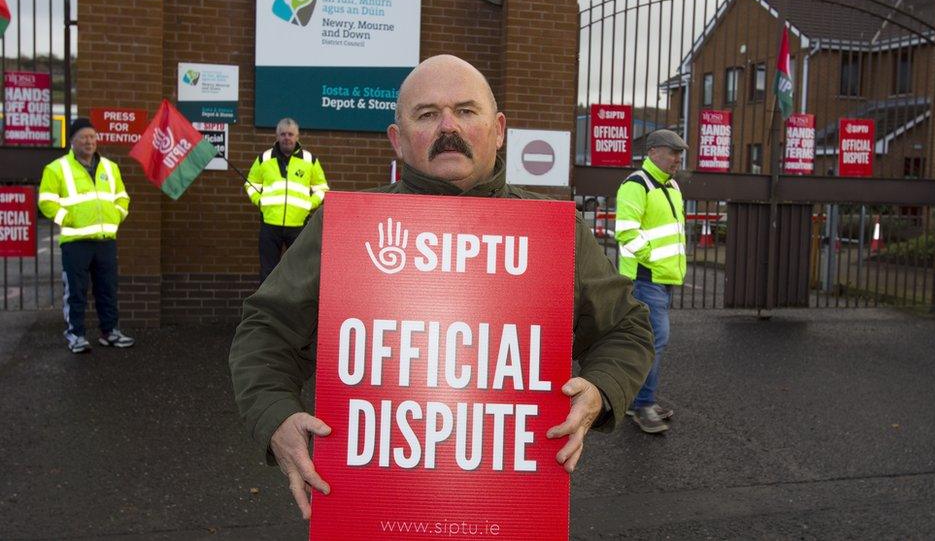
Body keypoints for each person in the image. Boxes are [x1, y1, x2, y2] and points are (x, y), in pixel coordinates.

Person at [228, 54, 654, 519]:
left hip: (506, 513)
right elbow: (266, 327)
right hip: (373, 511)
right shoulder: (346, 227)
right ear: (397, 138)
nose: (448, 126)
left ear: (499, 129)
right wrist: (275, 416)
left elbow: (627, 328)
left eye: (466, 111)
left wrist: (600, 390)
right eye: (427, 114)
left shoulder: (556, 234)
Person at [38, 118, 135, 354]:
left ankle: (109, 332)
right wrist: (69, 219)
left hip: (105, 241)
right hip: (76, 242)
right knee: (76, 292)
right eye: (83, 137)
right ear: (72, 140)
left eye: (92, 136)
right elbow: (46, 202)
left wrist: (116, 215)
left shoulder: (110, 168)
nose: (89, 141)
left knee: (107, 289)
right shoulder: (56, 168)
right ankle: (76, 335)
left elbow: (122, 197)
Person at [614, 129, 688, 434]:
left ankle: (639, 401)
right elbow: (626, 234)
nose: (677, 159)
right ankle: (643, 406)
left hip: (662, 279)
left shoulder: (671, 186)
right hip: (647, 280)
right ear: (654, 152)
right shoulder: (636, 185)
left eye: (680, 154)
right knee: (655, 342)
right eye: (672, 152)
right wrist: (654, 260)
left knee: (651, 342)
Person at [245, 117, 329, 282]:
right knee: (268, 270)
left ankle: (294, 307)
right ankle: (266, 306)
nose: (287, 138)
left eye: (290, 134)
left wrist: (308, 205)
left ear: (297, 137)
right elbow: (251, 184)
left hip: (298, 225)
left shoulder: (309, 161)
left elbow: (322, 188)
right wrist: (260, 201)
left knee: (298, 269)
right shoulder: (264, 159)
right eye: (283, 134)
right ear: (277, 137)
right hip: (270, 224)